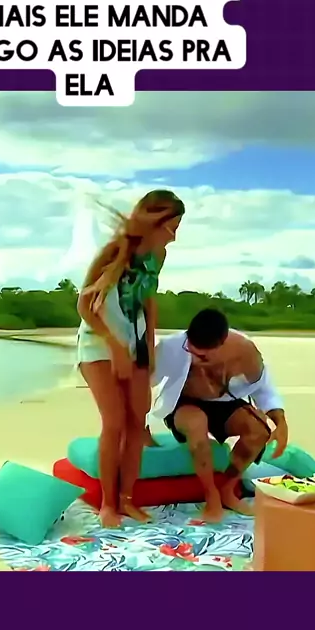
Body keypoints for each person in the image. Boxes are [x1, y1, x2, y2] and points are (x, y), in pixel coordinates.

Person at [76, 190, 185, 528]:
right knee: (115, 423)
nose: (174, 236)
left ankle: (127, 499)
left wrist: (148, 346)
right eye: (171, 227)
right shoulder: (114, 251)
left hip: (134, 343)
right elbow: (84, 306)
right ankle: (108, 504)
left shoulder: (158, 255)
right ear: (153, 220)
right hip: (99, 343)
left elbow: (148, 300)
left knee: (138, 422)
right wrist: (115, 348)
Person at [147, 308, 288, 522]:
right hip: (185, 403)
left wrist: (280, 422)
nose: (195, 358)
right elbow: (143, 382)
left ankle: (227, 489)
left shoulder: (244, 350)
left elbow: (263, 387)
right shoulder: (171, 347)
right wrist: (142, 425)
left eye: (202, 356)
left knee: (258, 431)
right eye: (190, 350)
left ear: (222, 343)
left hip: (225, 402)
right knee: (197, 424)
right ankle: (211, 496)